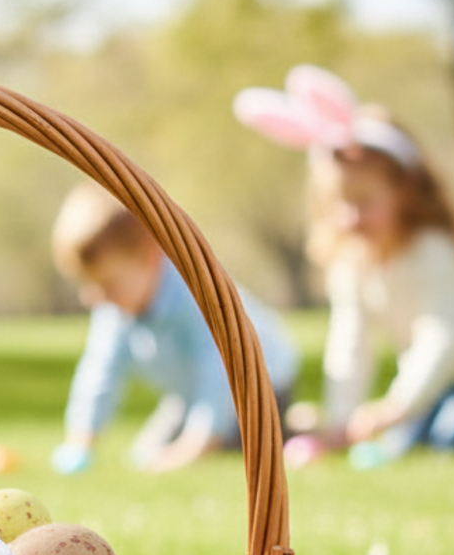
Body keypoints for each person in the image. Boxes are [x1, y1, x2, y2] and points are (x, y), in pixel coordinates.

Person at [235, 65, 454, 459]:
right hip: (450, 371)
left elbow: (440, 338)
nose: (351, 217)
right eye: (340, 203)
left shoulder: (433, 252)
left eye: (365, 201)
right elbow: (350, 342)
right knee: (403, 444)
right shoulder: (351, 262)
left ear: (405, 191)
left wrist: (398, 406)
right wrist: (341, 420)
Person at [50, 183, 300, 473]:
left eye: (107, 284)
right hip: (188, 395)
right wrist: (81, 440)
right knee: (145, 454)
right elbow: (99, 370)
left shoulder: (195, 296)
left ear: (149, 256)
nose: (93, 297)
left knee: (238, 444)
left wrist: (197, 443)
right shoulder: (114, 307)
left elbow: (218, 372)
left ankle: (294, 428)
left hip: (257, 386)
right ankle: (292, 425)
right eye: (87, 285)